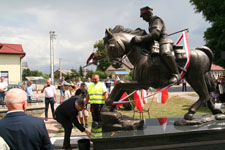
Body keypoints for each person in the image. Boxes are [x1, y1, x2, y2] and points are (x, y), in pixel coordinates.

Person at [131, 6, 179, 84]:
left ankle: (176, 74)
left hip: (163, 40)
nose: (143, 18)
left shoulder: (156, 19)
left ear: (148, 14)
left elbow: (156, 34)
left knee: (165, 53)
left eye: (143, 16)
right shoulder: (150, 21)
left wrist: (141, 38)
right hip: (156, 42)